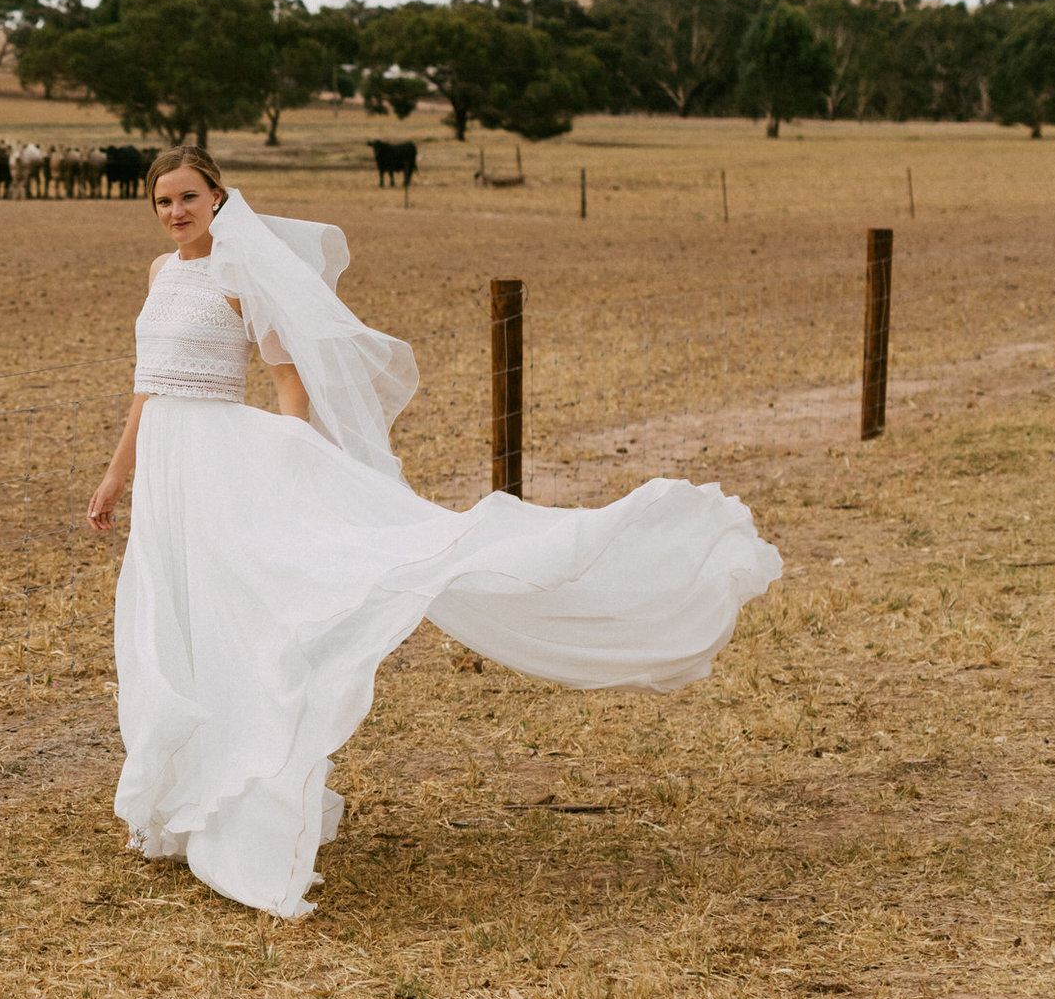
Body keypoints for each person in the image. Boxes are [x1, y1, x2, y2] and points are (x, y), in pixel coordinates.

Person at [88, 148, 781, 919]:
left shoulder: (242, 271)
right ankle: (184, 797)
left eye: (188, 196)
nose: (176, 211)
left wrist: (294, 465)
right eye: (162, 201)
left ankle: (242, 800)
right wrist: (117, 474)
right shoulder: (160, 273)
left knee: (241, 619)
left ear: (220, 196)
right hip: (165, 472)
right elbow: (148, 387)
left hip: (224, 463)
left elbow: (289, 382)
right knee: (171, 618)